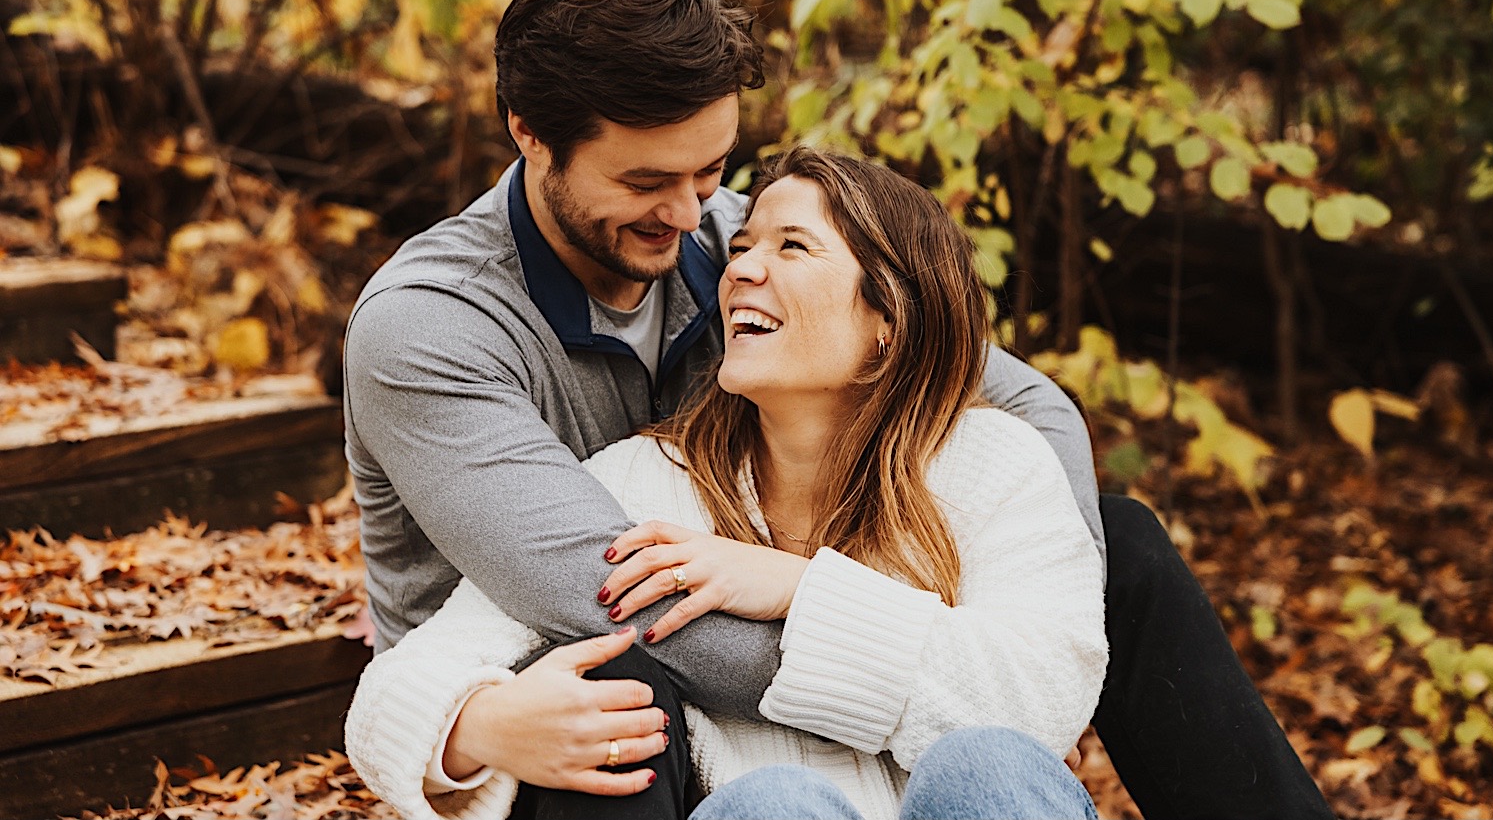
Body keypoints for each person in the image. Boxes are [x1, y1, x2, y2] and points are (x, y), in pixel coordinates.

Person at [341, 0, 1334, 820]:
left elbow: (1018, 398)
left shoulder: (737, 240)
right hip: (558, 673)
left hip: (787, 607)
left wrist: (1028, 599)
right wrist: (913, 653)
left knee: (1115, 547)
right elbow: (618, 596)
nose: (696, 221)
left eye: (711, 170)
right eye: (647, 181)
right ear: (528, 132)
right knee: (646, 699)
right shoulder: (430, 327)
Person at [347, 147, 1108, 820]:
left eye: (793, 247)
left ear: (889, 318)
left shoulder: (993, 463)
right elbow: (389, 697)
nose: (741, 267)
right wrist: (478, 725)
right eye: (742, 247)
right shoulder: (644, 482)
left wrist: (799, 588)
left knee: (989, 765)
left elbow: (1040, 702)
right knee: (776, 804)